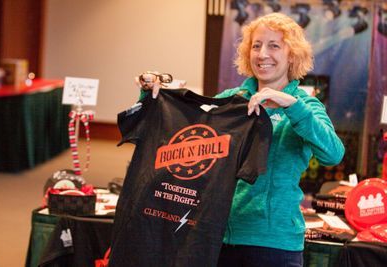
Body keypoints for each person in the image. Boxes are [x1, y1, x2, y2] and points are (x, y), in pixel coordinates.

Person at [137, 12, 345, 267]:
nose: (262, 54)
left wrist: (292, 106)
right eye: (256, 46)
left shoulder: (305, 105)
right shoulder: (230, 98)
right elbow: (183, 140)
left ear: (292, 55)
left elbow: (333, 154)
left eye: (274, 46)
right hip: (215, 237)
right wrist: (154, 99)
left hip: (274, 244)